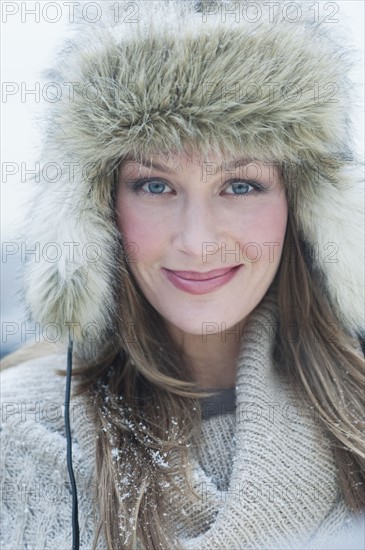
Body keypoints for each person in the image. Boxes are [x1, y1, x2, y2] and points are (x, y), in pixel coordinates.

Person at [1, 1, 364, 549]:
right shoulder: (17, 434)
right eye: (155, 185)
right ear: (98, 207)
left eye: (240, 186)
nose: (197, 242)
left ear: (304, 207)